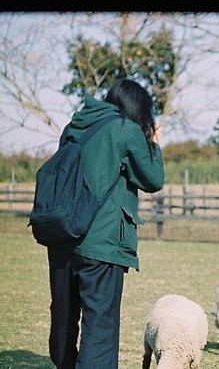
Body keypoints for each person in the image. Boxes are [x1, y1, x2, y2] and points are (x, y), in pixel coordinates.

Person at [47, 78, 165, 369]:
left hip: (62, 237)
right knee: (100, 326)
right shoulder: (125, 128)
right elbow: (152, 179)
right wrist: (155, 145)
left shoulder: (75, 126)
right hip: (101, 243)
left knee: (64, 316)